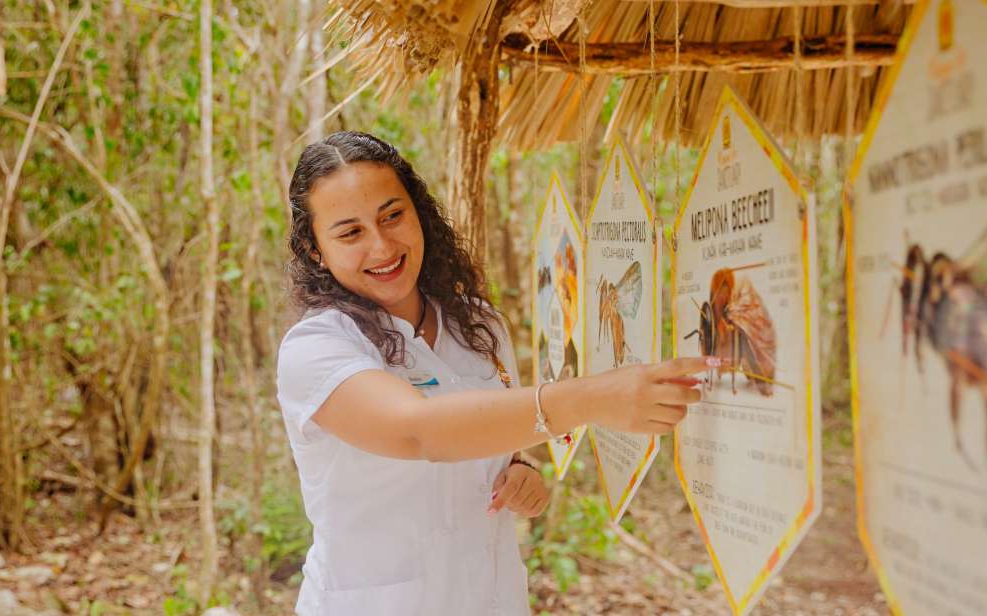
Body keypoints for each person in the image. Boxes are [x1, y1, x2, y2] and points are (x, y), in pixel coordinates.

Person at [277, 131, 712, 616]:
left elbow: (490, 437)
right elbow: (417, 431)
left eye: (392, 215)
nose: (381, 246)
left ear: (419, 212)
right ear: (315, 250)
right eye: (350, 232)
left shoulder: (479, 324)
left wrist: (521, 471)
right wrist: (590, 399)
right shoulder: (316, 348)